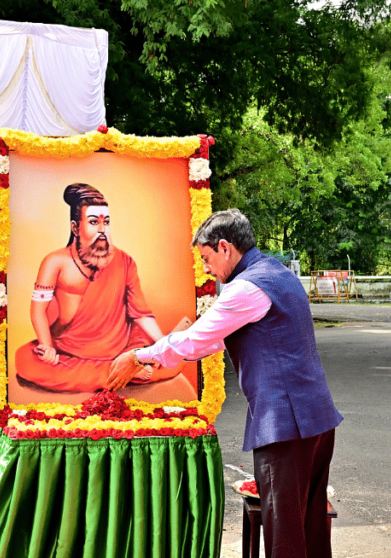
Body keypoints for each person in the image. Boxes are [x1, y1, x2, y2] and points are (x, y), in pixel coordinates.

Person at [109, 208, 343, 558]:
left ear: (224, 248)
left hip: (285, 422)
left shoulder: (247, 288)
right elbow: (215, 338)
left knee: (285, 534)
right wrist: (165, 352)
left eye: (206, 258)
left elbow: (200, 338)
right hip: (316, 419)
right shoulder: (278, 274)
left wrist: (139, 355)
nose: (205, 268)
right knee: (309, 526)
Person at [13, 183, 190, 393]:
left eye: (106, 222)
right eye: (94, 222)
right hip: (70, 350)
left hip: (120, 346)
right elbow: (38, 310)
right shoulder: (55, 262)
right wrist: (48, 346)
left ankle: (125, 364)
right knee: (25, 359)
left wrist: (163, 345)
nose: (102, 230)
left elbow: (140, 314)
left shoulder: (124, 261)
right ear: (75, 228)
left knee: (156, 347)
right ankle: (121, 369)